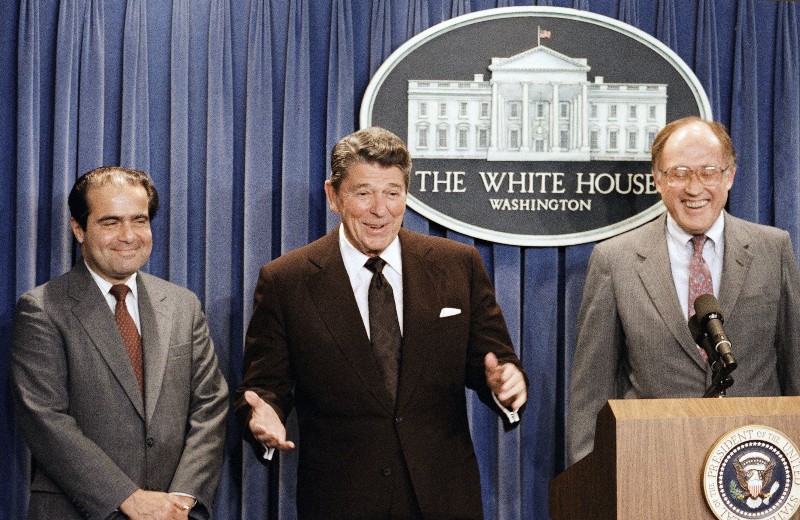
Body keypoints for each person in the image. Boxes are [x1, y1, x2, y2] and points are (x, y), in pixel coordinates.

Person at [234, 127, 528, 519]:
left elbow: (493, 361)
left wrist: (505, 385)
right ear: (333, 196)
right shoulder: (287, 280)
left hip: (444, 499)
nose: (380, 209)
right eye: (363, 193)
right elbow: (264, 386)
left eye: (392, 193)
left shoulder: (457, 264)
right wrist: (261, 414)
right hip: (342, 502)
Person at [567, 116, 800, 465]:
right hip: (651, 467)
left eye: (708, 171)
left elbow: (795, 366)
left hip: (756, 467)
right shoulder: (615, 260)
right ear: (658, 181)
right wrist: (590, 481)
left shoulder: (773, 249)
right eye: (679, 173)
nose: (695, 188)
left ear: (730, 176)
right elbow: (592, 392)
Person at [11, 167, 229, 520]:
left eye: (139, 220)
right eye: (110, 222)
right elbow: (45, 420)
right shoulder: (42, 308)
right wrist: (128, 497)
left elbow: (211, 406)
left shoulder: (182, 305)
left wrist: (183, 497)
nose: (128, 236)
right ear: (79, 229)